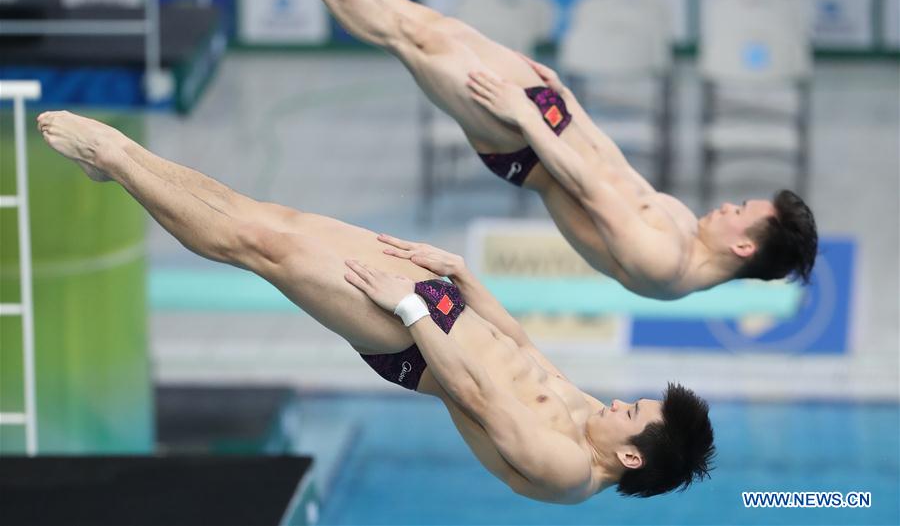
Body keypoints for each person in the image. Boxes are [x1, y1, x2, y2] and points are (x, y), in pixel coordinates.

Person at [37, 110, 714, 503]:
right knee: (278, 218)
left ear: (630, 459)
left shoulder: (565, 470)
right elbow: (527, 357)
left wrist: (412, 310)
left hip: (413, 342)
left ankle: (117, 156)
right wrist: (467, 281)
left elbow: (477, 394)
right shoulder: (598, 422)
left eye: (630, 414)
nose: (617, 404)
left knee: (259, 244)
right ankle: (122, 168)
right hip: (440, 310)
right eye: (633, 401)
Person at [247, 0, 818, 301]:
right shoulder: (688, 234)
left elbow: (587, 186)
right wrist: (562, 96)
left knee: (406, 39)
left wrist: (524, 115)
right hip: (551, 119)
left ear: (744, 247)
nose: (727, 205)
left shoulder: (664, 264)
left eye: (740, 210)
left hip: (524, 144)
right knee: (426, 24)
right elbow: (611, 162)